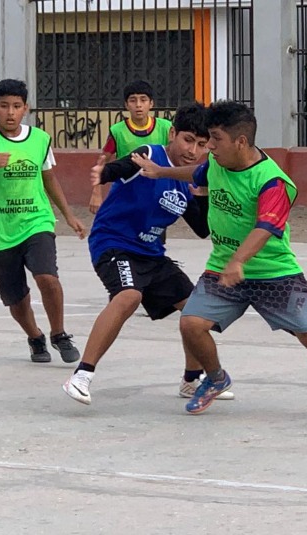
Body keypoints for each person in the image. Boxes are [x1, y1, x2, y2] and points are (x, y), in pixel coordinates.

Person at [133, 100, 307, 419]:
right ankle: (215, 379)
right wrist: (160, 172)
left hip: (274, 272)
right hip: (222, 269)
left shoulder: (273, 181)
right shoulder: (217, 164)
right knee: (191, 324)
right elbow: (197, 172)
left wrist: (239, 260)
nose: (208, 146)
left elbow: (266, 226)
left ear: (240, 141)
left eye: (215, 138)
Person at [63, 102, 233, 405]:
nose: (193, 151)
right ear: (173, 134)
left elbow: (202, 229)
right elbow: (124, 166)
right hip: (114, 243)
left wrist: (202, 191)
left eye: (202, 144)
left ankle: (191, 381)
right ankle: (81, 375)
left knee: (195, 313)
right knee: (129, 296)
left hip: (152, 254)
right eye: (187, 140)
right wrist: (103, 173)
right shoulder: (151, 155)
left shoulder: (186, 179)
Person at [0, 79, 86, 363]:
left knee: (47, 276)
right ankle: (35, 336)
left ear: (26, 109)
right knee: (16, 297)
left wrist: (68, 215)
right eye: (5, 106)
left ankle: (59, 333)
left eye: (17, 106)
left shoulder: (40, 139)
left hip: (36, 221)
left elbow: (49, 178)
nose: (11, 112)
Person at [88, 80, 172, 214]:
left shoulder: (166, 128)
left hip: (155, 192)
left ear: (151, 103)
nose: (138, 105)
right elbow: (103, 161)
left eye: (143, 100)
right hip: (126, 192)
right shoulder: (117, 131)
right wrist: (96, 192)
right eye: (133, 100)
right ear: (126, 105)